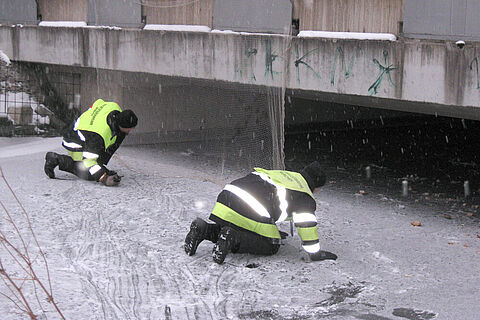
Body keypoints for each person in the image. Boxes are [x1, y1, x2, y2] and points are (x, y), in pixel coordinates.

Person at [184, 161, 338, 264]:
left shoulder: (286, 176)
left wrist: (272, 230)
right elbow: (307, 226)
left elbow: (269, 197)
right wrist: (315, 253)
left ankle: (204, 230)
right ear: (317, 187)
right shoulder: (305, 196)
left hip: (226, 199)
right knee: (271, 245)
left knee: (240, 224)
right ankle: (232, 238)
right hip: (250, 207)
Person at [44, 99, 138, 186]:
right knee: (88, 173)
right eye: (129, 128)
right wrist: (103, 178)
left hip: (85, 133)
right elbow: (89, 161)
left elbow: (98, 103)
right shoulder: (99, 136)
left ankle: (99, 163)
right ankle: (56, 159)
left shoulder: (114, 107)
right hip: (74, 142)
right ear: (121, 124)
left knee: (120, 135)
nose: (131, 130)